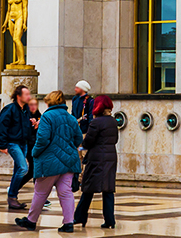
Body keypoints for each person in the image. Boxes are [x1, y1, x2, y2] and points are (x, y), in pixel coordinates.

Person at [13, 91, 82, 232]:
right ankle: (68, 223)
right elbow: (78, 139)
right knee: (66, 192)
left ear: (49, 102)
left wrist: (35, 153)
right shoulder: (71, 118)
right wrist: (68, 148)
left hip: (49, 162)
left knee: (40, 192)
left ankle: (31, 221)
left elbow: (43, 139)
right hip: (69, 162)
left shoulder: (47, 117)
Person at [73, 97, 118, 229]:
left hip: (97, 158)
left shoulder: (96, 122)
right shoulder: (113, 121)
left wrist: (82, 145)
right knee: (108, 189)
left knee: (88, 188)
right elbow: (115, 139)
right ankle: (110, 220)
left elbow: (88, 142)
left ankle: (80, 217)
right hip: (110, 157)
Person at [0, 85, 36, 210]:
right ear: (19, 96)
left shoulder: (25, 110)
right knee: (23, 168)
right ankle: (12, 195)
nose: (29, 97)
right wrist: (2, 145)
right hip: (13, 143)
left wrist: (32, 125)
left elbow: (23, 127)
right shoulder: (10, 109)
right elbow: (1, 125)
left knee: (18, 169)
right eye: (26, 94)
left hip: (23, 143)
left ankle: (13, 198)